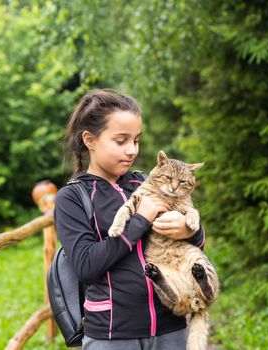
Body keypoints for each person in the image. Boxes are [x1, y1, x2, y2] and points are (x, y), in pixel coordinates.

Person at [54, 89, 206, 350]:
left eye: (136, 140)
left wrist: (190, 232)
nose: (131, 150)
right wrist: (140, 220)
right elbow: (87, 266)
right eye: (121, 141)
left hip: (172, 327)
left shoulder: (145, 182)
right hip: (112, 335)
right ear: (90, 139)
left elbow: (188, 248)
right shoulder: (72, 198)